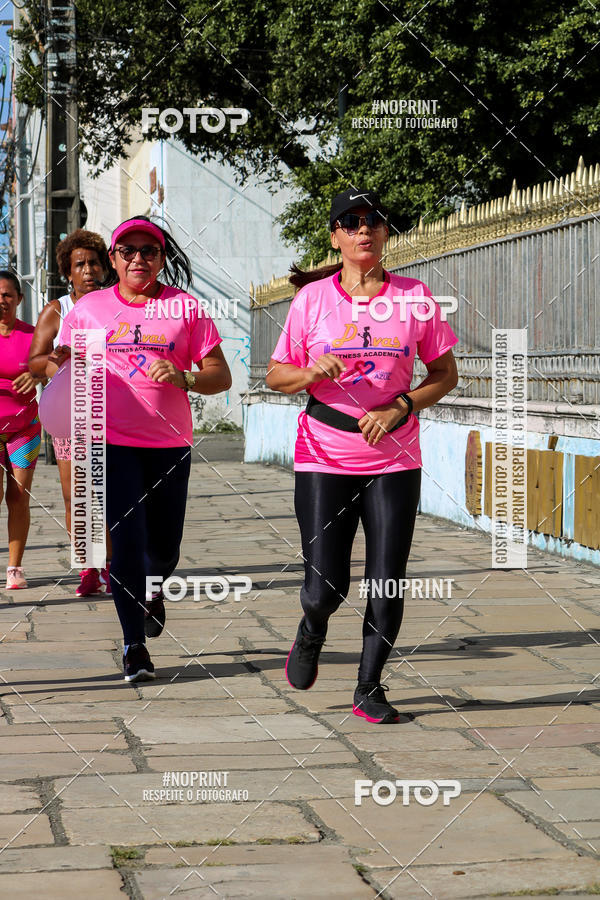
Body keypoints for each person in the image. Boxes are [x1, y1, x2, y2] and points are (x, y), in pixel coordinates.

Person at [266, 188, 459, 724]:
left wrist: (402, 405)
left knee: (387, 576)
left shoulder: (415, 297)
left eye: (373, 221)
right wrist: (312, 372)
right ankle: (312, 625)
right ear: (336, 237)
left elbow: (444, 375)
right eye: (350, 223)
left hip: (394, 455)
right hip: (324, 451)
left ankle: (369, 686)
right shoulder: (312, 301)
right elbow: (276, 375)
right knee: (325, 581)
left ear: (385, 232)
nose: (363, 229)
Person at [50, 216, 231, 682]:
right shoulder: (88, 309)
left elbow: (220, 375)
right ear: (113, 259)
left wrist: (186, 377)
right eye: (127, 251)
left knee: (164, 547)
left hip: (169, 442)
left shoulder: (184, 308)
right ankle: (134, 647)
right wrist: (59, 367)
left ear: (161, 259)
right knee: (126, 542)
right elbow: (62, 361)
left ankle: (154, 587)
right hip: (108, 441)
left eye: (148, 251)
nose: (137, 259)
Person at [29, 229, 113, 597]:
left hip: (114, 411)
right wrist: (56, 364)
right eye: (80, 264)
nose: (89, 270)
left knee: (111, 494)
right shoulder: (57, 310)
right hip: (70, 414)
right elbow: (33, 361)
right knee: (76, 494)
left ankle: (113, 565)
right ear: (68, 272)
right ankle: (88, 568)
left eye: (94, 262)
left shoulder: (116, 305)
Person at [0, 271, 45, 589]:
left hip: (24, 429)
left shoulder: (32, 336)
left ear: (19, 298)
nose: (1, 300)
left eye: (7, 294)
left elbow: (54, 363)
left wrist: (37, 376)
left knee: (17, 496)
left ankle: (14, 568)